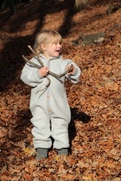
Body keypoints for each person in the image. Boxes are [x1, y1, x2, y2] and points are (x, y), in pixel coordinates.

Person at [20, 29, 81, 160]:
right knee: (40, 125)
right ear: (43, 46)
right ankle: (41, 150)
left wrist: (72, 70)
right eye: (55, 43)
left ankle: (62, 150)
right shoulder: (34, 62)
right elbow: (24, 77)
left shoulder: (63, 62)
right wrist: (38, 74)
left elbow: (76, 73)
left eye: (60, 43)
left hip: (58, 103)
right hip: (39, 103)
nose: (59, 46)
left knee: (60, 124)